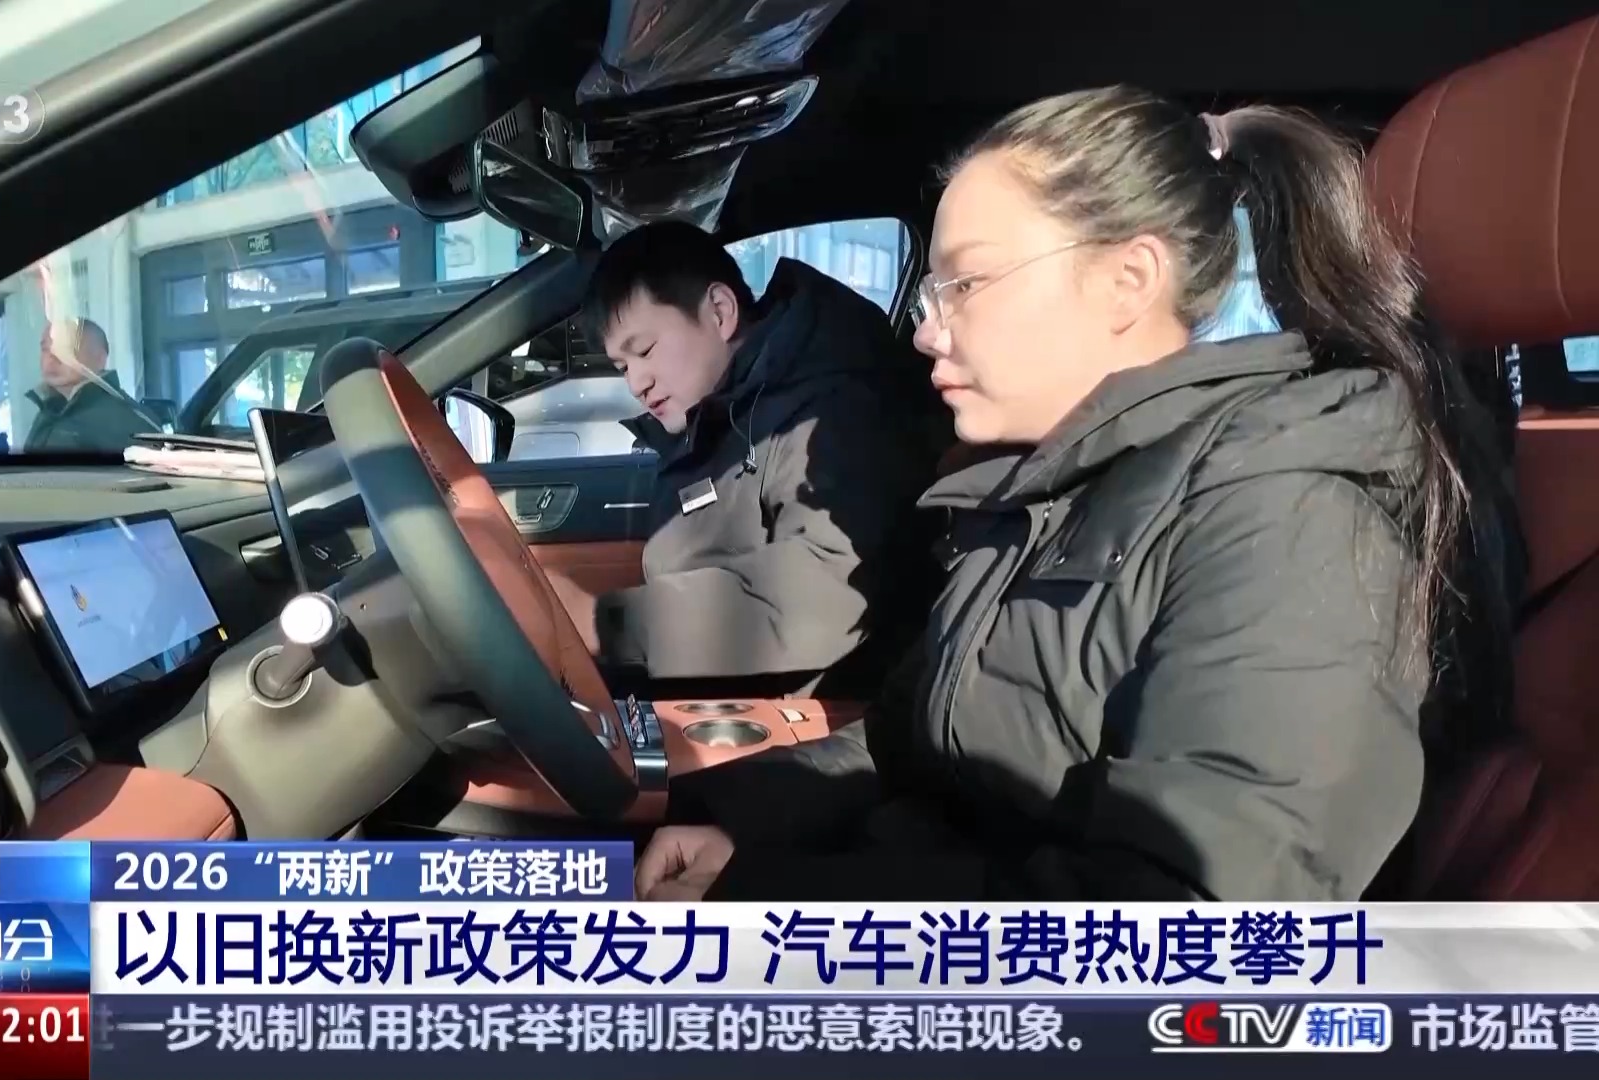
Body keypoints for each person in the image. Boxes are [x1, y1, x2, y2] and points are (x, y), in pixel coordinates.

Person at [637, 87, 1520, 902]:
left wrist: (762, 897)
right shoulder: (1036, 501)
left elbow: (1177, 928)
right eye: (932, 291)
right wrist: (738, 823)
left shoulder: (1287, 519)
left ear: (1127, 280)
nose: (926, 330)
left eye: (965, 285)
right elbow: (905, 741)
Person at [551, 220, 952, 700]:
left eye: (645, 350)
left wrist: (610, 624)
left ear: (720, 312)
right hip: (715, 696)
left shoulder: (831, 413)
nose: (637, 383)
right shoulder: (718, 416)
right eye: (623, 367)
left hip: (819, 716)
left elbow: (829, 589)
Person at [23, 317, 156, 452]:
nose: (52, 358)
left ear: (99, 358)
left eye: (66, 349)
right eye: (46, 349)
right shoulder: (50, 410)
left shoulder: (131, 422)